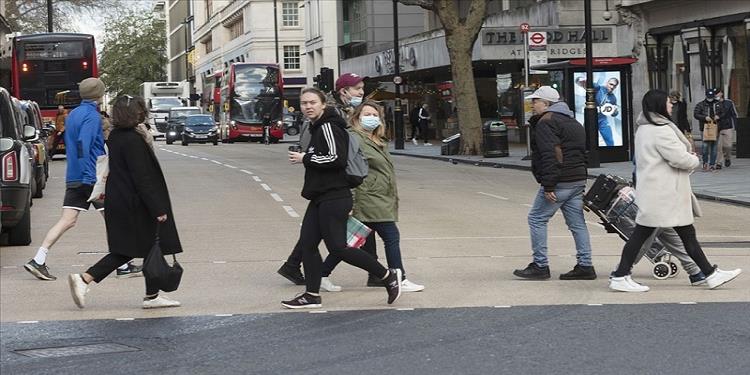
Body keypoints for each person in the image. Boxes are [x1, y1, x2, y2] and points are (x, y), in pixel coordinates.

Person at [609, 89, 741, 292]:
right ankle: (620, 275)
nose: (671, 105)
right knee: (643, 235)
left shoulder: (645, 128)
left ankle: (709, 274)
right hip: (664, 193)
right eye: (668, 103)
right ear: (659, 105)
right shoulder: (660, 130)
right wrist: (695, 159)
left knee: (684, 234)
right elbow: (679, 158)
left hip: (659, 192)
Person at [281, 87, 402, 309]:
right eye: (304, 103)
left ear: (323, 105)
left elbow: (336, 158)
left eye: (312, 103)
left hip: (334, 196)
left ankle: (387, 275)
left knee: (338, 248)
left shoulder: (328, 126)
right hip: (320, 196)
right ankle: (311, 295)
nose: (308, 107)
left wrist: (305, 157)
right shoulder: (318, 126)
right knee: (308, 244)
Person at [67, 95, 183, 309]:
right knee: (130, 249)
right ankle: (84, 278)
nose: (143, 113)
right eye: (140, 110)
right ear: (134, 113)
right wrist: (157, 208)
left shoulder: (117, 136)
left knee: (145, 247)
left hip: (121, 200)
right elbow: (143, 178)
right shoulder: (133, 140)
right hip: (134, 204)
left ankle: (152, 295)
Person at [24, 78, 141, 281]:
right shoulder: (91, 116)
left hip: (75, 175)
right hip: (93, 177)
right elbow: (83, 144)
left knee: (67, 220)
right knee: (114, 219)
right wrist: (91, 177)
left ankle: (38, 259)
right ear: (99, 95)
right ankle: (123, 265)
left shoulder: (73, 114)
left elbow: (76, 144)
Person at [277, 73, 380, 286]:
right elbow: (329, 152)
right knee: (336, 238)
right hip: (337, 183)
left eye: (361, 88)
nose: (361, 92)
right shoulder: (330, 118)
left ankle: (298, 269)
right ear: (343, 91)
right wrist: (309, 157)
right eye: (356, 88)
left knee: (319, 235)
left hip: (340, 181)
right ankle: (382, 275)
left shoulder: (347, 112)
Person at [318, 100, 425, 293]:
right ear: (357, 118)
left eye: (375, 115)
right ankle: (399, 277)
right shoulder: (354, 138)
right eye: (367, 114)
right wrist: (350, 198)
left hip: (379, 197)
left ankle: (322, 274)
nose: (372, 118)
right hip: (367, 197)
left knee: (350, 242)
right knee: (391, 236)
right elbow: (349, 169)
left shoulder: (376, 140)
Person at [513, 86, 596, 280]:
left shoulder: (546, 122)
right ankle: (585, 265)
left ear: (547, 103)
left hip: (560, 181)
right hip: (577, 179)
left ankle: (540, 265)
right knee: (577, 224)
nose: (533, 105)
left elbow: (550, 155)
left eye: (536, 101)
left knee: (536, 218)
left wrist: (549, 185)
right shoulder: (572, 121)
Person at [693, 88, 723, 171]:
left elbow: (723, 112)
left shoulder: (718, 104)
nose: (710, 98)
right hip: (704, 127)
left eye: (712, 96)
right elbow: (696, 114)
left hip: (716, 127)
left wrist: (719, 116)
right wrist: (704, 117)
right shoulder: (700, 104)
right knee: (705, 146)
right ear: (706, 96)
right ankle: (705, 162)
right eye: (709, 96)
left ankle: (712, 164)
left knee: (714, 146)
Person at [715, 88, 738, 169]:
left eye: (717, 93)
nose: (716, 95)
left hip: (727, 126)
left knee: (728, 145)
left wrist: (735, 125)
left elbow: (734, 114)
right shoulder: (713, 103)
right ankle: (719, 163)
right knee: (719, 146)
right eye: (715, 93)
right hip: (717, 126)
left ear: (721, 93)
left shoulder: (729, 102)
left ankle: (727, 158)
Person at [594, 76, 619, 146]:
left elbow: (613, 114)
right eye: (611, 84)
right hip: (591, 118)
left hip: (602, 120)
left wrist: (615, 111)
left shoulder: (613, 98)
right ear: (607, 83)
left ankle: (611, 156)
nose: (612, 87)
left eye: (614, 86)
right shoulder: (598, 89)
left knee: (610, 141)